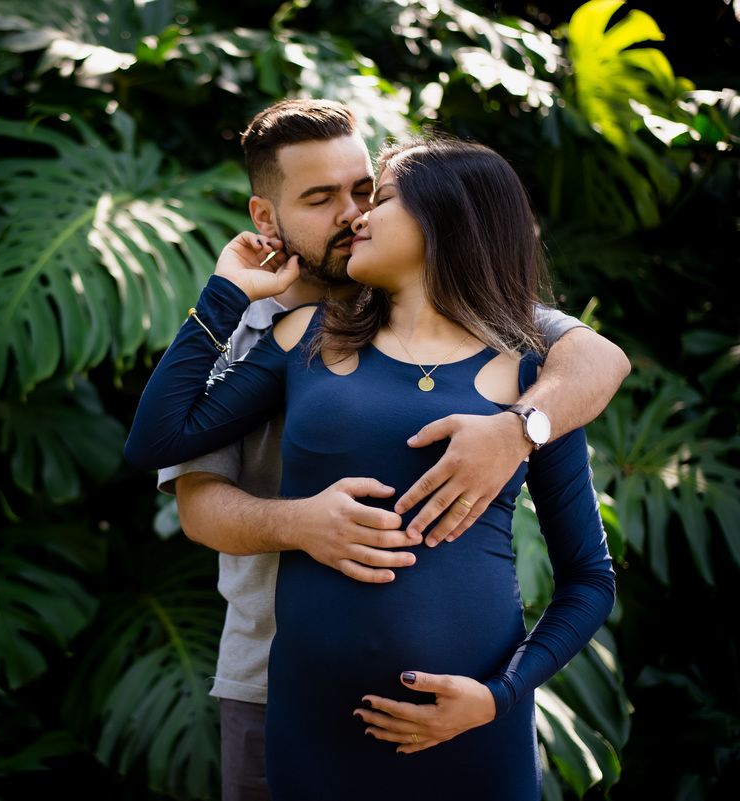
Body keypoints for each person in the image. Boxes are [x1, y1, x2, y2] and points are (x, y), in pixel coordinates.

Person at [154, 100, 628, 801]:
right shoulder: (264, 330)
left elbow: (597, 359)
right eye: (321, 199)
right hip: (274, 686)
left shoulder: (500, 336)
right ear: (267, 218)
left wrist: (515, 428)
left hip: (467, 721)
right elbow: (191, 495)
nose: (352, 214)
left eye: (366, 191)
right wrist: (301, 523)